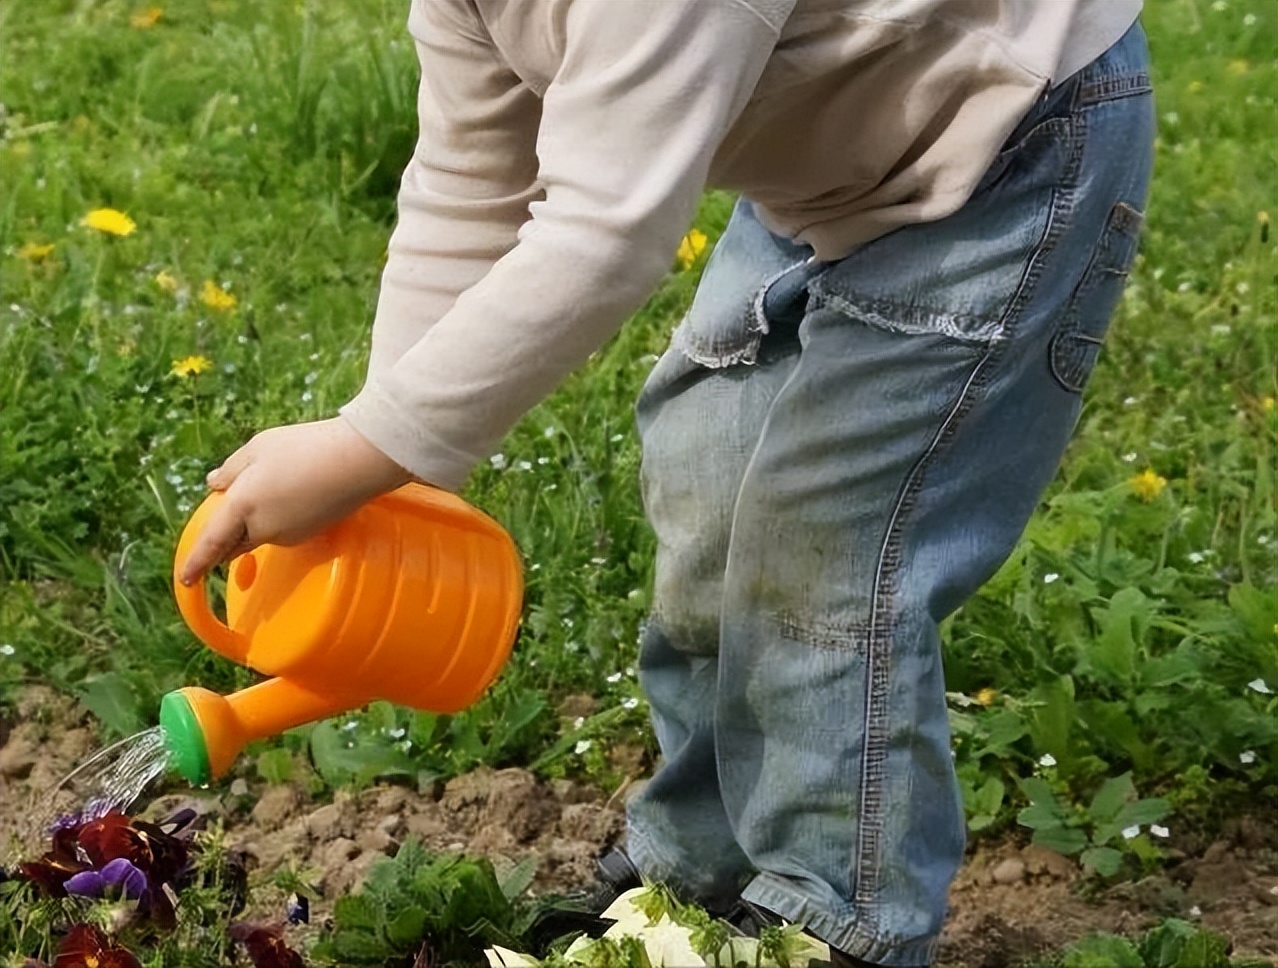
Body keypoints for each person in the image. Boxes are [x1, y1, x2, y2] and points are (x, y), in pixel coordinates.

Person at [179, 2, 1154, 964]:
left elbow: (606, 233)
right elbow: (471, 183)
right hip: (823, 152)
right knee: (702, 472)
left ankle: (837, 913)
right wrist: (389, 470)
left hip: (1003, 145)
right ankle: (701, 863)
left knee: (829, 541)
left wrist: (364, 446)